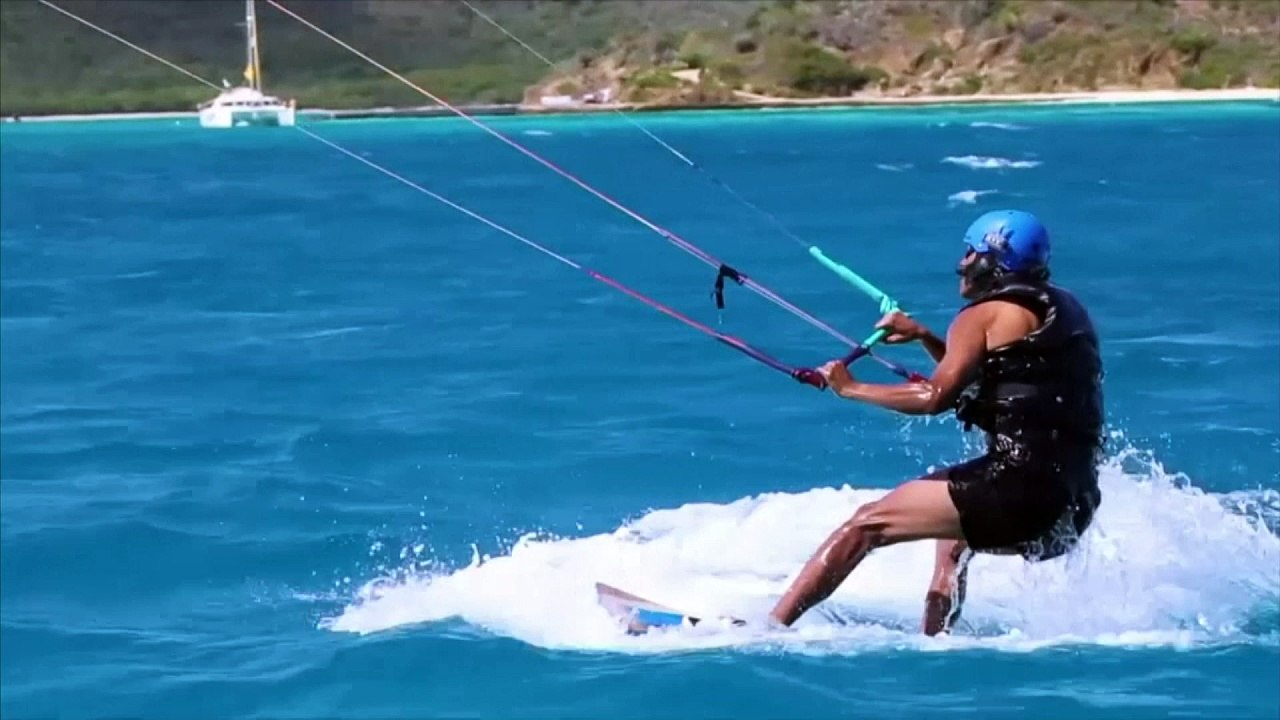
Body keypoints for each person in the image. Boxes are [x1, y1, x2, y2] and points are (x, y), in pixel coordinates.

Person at [769, 209, 1105, 635]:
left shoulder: (981, 316)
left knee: (866, 524)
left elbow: (935, 397)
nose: (961, 264)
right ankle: (936, 640)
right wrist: (925, 336)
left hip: (1019, 492)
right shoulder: (1064, 308)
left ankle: (769, 629)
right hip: (1070, 505)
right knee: (952, 537)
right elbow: (986, 379)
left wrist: (848, 387)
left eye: (970, 252)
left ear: (993, 260)